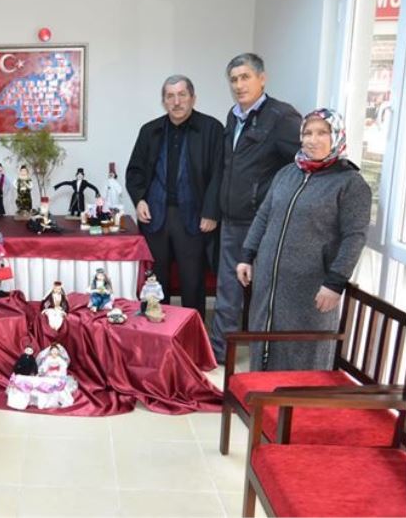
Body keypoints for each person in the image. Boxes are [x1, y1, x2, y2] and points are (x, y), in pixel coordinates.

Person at [236, 108, 370, 371]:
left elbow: (354, 237)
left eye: (322, 133)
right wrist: (247, 255)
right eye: (307, 133)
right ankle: (262, 394)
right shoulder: (287, 173)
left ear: (337, 136)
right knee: (262, 345)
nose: (313, 139)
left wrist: (335, 283)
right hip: (268, 285)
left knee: (301, 355)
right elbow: (264, 215)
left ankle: (297, 400)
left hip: (311, 290)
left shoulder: (350, 184)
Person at [210, 53, 302, 363]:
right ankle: (219, 354)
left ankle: (262, 361)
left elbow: (302, 163)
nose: (239, 85)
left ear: (262, 79)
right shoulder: (233, 115)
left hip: (263, 225)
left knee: (262, 294)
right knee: (227, 292)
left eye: (245, 77)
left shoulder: (281, 117)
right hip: (232, 220)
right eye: (234, 79)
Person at [125, 74, 224, 319]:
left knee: (193, 282)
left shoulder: (211, 129)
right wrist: (139, 199)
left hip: (194, 217)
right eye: (170, 96)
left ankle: (191, 331)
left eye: (182, 95)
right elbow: (135, 171)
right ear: (164, 101)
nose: (176, 101)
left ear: (193, 98)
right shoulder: (150, 130)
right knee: (155, 282)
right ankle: (157, 330)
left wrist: (211, 212)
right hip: (155, 217)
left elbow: (219, 174)